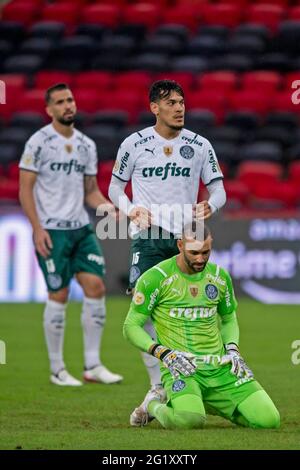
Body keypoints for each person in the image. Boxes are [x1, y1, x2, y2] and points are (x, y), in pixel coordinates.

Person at [109, 79, 226, 422]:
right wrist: (130, 208)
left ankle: (179, 386)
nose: (179, 108)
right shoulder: (135, 143)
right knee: (142, 310)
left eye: (182, 102)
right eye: (171, 102)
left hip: (186, 239)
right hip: (148, 236)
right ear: (154, 108)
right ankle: (160, 385)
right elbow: (115, 187)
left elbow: (219, 189)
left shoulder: (199, 145)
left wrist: (211, 206)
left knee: (192, 308)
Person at [123, 222, 280, 429]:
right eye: (194, 252)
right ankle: (153, 405)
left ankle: (205, 401)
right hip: (181, 367)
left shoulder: (219, 277)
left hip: (220, 366)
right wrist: (163, 353)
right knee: (189, 421)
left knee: (269, 421)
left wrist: (232, 349)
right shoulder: (155, 278)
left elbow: (229, 319)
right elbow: (131, 326)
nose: (200, 259)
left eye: (206, 252)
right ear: (180, 245)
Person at [19, 83, 123, 386]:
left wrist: (109, 209)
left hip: (81, 229)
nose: (68, 106)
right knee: (59, 293)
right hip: (51, 230)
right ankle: (57, 369)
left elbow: (90, 192)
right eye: (61, 102)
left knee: (95, 287)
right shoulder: (38, 143)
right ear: (49, 109)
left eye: (71, 100)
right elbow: (26, 189)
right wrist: (37, 228)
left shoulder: (86, 145)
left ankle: (92, 365)